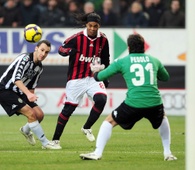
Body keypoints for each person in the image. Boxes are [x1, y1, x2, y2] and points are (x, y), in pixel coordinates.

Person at [80, 34, 177, 161]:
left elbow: (100, 77)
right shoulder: (155, 61)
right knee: (162, 117)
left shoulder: (122, 62)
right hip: (155, 103)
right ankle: (168, 153)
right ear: (144, 47)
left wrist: (95, 71)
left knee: (109, 122)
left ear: (129, 48)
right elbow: (166, 78)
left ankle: (97, 153)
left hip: (133, 103)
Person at [52, 12, 110, 147]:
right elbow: (61, 49)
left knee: (101, 99)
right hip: (76, 79)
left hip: (93, 78)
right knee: (68, 110)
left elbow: (106, 59)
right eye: (90, 25)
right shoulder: (76, 38)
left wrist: (105, 76)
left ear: (99, 26)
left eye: (96, 26)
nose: (93, 29)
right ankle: (55, 140)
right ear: (86, 25)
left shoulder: (103, 39)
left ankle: (87, 127)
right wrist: (70, 51)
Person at [0, 40, 61, 149]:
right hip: (5, 90)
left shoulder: (39, 68)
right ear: (36, 48)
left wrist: (31, 97)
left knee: (39, 115)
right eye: (42, 50)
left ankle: (25, 130)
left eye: (46, 52)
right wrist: (28, 94)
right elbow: (16, 79)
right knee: (31, 113)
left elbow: (32, 86)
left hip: (20, 91)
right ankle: (45, 143)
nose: (43, 54)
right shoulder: (24, 59)